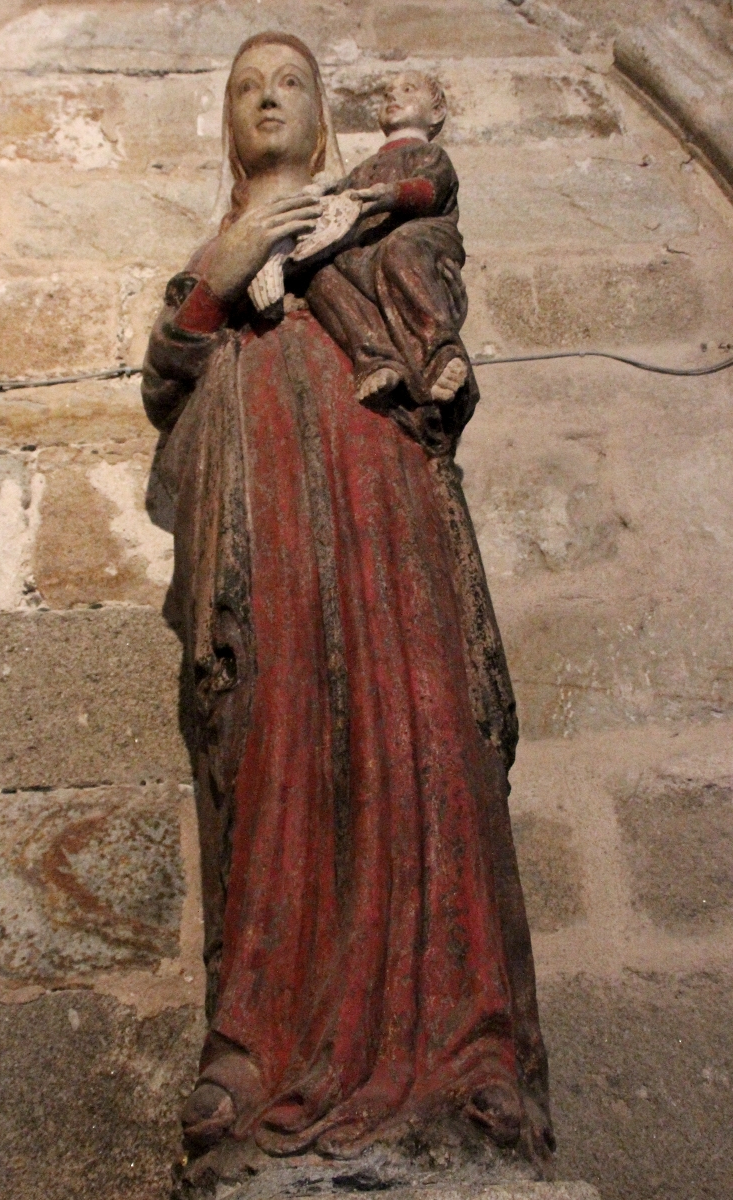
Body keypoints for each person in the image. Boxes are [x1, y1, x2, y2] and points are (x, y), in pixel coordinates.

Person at [142, 30, 553, 1168]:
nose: (266, 98)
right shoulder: (218, 250)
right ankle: (259, 1056)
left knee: (426, 741)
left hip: (386, 511)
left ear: (321, 117)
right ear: (224, 121)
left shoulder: (370, 216)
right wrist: (218, 279)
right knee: (277, 753)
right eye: (245, 87)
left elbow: (428, 306)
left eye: (289, 84)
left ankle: (469, 1062)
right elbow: (164, 377)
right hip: (265, 523)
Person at [307, 70, 473, 423]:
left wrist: (388, 195)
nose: (392, 97)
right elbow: (338, 206)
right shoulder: (364, 168)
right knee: (320, 278)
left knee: (399, 248)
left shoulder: (429, 154)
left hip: (423, 241)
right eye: (387, 94)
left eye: (408, 90)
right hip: (367, 252)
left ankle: (441, 352)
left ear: (437, 111)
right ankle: (377, 359)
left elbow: (431, 189)